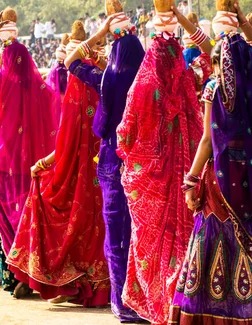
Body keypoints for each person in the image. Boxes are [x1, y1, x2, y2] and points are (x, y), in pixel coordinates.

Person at [116, 3, 213, 323]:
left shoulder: (143, 84)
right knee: (181, 237)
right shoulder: (188, 78)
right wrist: (183, 20)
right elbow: (208, 53)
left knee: (151, 240)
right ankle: (178, 304)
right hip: (185, 170)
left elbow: (126, 133)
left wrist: (130, 160)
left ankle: (159, 303)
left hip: (153, 178)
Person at [6, 20, 109, 306]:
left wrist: (45, 161)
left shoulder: (78, 81)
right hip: (104, 167)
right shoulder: (105, 75)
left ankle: (59, 280)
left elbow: (68, 134)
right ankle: (94, 284)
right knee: (96, 224)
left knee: (47, 195)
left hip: (80, 168)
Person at [60, 4, 146, 321]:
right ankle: (141, 300)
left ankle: (122, 303)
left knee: (116, 231)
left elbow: (70, 62)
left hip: (112, 156)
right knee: (138, 229)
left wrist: (99, 33)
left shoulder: (105, 80)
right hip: (141, 160)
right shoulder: (147, 81)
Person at [0, 7, 59, 296]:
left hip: (4, 160)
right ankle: (30, 272)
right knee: (26, 214)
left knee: (7, 214)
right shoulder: (40, 89)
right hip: (31, 161)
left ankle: (16, 269)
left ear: (6, 61)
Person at [170, 4, 252, 324]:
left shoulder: (213, 87)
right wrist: (242, 21)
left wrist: (190, 180)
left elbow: (207, 141)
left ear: (217, 57)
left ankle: (210, 311)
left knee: (213, 241)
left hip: (221, 178)